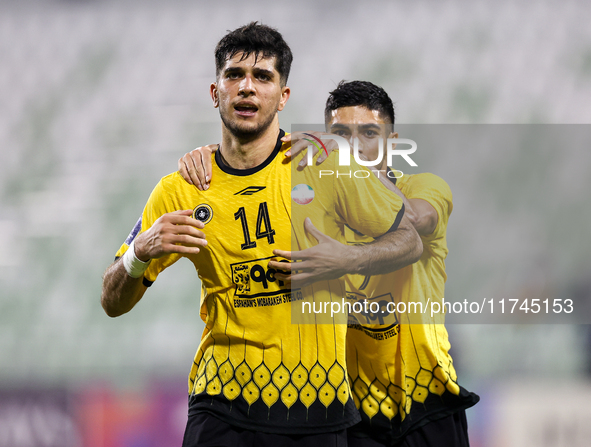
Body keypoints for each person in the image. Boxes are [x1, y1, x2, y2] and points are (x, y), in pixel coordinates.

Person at [102, 24, 422, 447]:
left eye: (263, 77)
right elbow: (112, 301)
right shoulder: (181, 187)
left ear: (283, 97)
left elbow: (410, 241)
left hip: (317, 409)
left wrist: (346, 259)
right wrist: (138, 255)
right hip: (220, 406)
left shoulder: (323, 164)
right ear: (215, 92)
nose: (247, 88)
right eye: (234, 75)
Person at [178, 80, 479, 446]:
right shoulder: (313, 205)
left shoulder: (424, 187)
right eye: (340, 135)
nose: (354, 145)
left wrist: (344, 168)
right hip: (352, 412)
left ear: (392, 143)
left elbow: (415, 221)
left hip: (426, 401)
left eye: (369, 133)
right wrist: (227, 155)